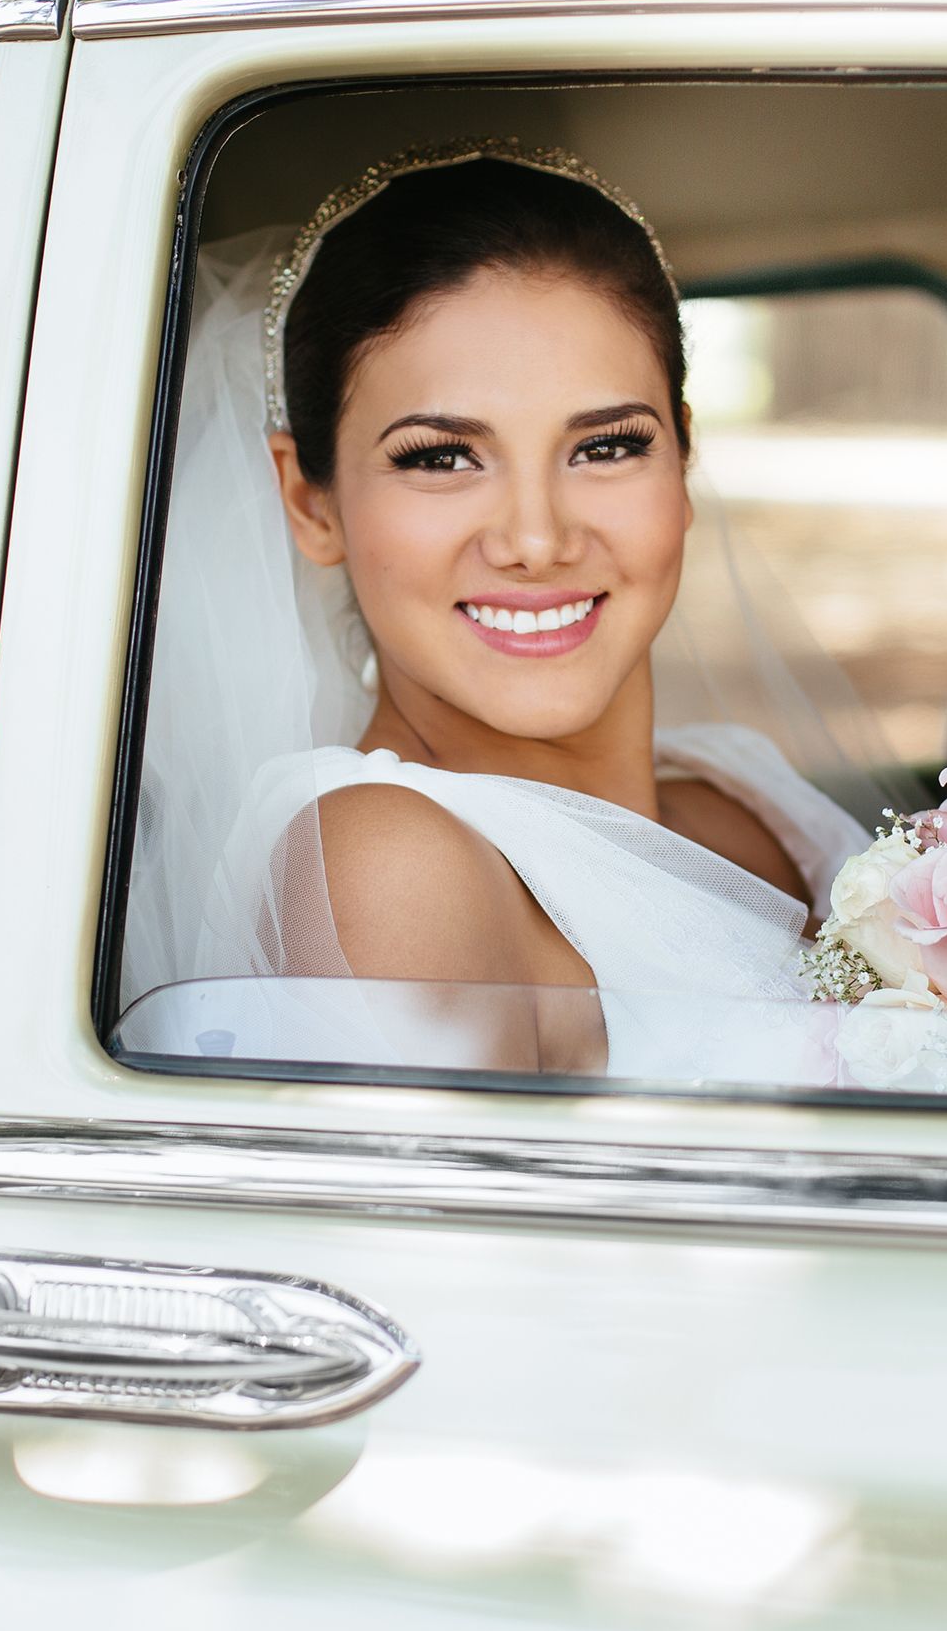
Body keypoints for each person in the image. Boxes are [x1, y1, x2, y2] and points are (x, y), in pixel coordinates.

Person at [123, 143, 869, 1072]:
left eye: (605, 448)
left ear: (684, 454)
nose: (536, 538)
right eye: (440, 457)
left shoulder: (742, 805)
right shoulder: (389, 864)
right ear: (311, 503)